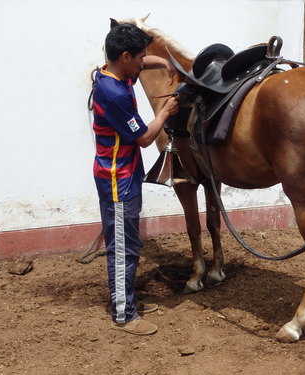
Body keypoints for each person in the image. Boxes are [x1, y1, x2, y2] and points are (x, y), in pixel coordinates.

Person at [92, 21, 178, 335]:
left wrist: (164, 61)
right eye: (140, 57)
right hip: (117, 179)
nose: (144, 62)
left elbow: (144, 64)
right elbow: (142, 138)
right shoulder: (113, 93)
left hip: (126, 174)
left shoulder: (115, 70)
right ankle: (123, 315)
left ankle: (126, 300)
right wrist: (165, 111)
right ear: (126, 56)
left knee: (130, 242)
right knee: (122, 248)